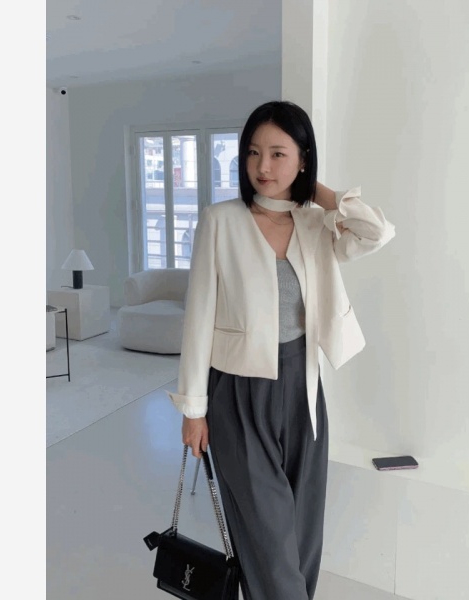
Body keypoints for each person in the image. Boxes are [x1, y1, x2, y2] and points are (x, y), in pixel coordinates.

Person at [168, 100, 395, 600]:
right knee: (266, 538)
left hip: (303, 390)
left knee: (302, 533)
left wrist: (317, 193)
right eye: (253, 152)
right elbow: (198, 318)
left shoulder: (316, 223)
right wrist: (193, 410)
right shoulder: (220, 221)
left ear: (302, 159)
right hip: (237, 394)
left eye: (278, 154)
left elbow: (377, 231)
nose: (263, 167)